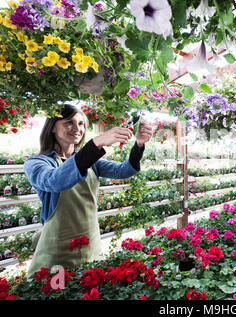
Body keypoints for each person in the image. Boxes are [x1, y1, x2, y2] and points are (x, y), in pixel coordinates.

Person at [23, 104, 153, 278]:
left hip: (89, 239)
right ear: (52, 126)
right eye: (69, 122)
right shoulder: (37, 163)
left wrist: (139, 144)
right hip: (57, 247)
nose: (77, 129)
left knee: (89, 288)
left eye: (82, 124)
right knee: (57, 291)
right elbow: (55, 181)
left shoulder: (92, 162)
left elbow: (124, 170)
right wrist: (96, 143)